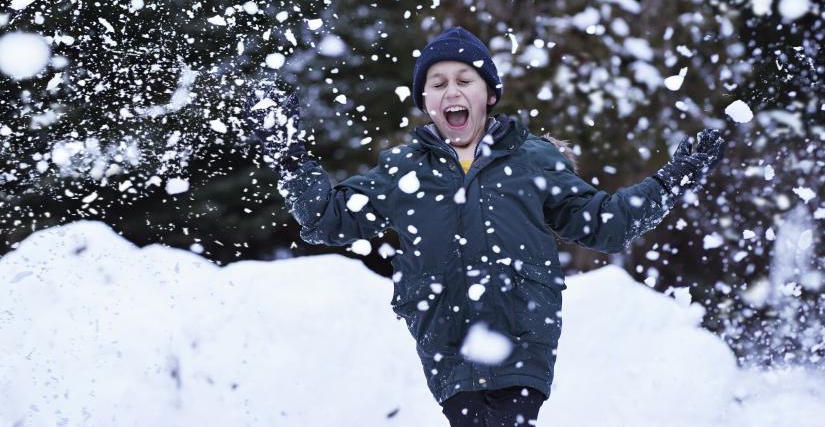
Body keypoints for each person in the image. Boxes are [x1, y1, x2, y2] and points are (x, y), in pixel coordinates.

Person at [244, 26, 724, 427]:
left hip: (523, 337)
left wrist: (671, 181)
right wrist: (289, 158)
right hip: (447, 345)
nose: (452, 91)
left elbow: (606, 225)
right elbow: (328, 219)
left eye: (464, 79)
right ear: (425, 101)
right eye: (437, 83)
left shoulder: (533, 160)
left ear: (488, 94)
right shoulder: (403, 171)